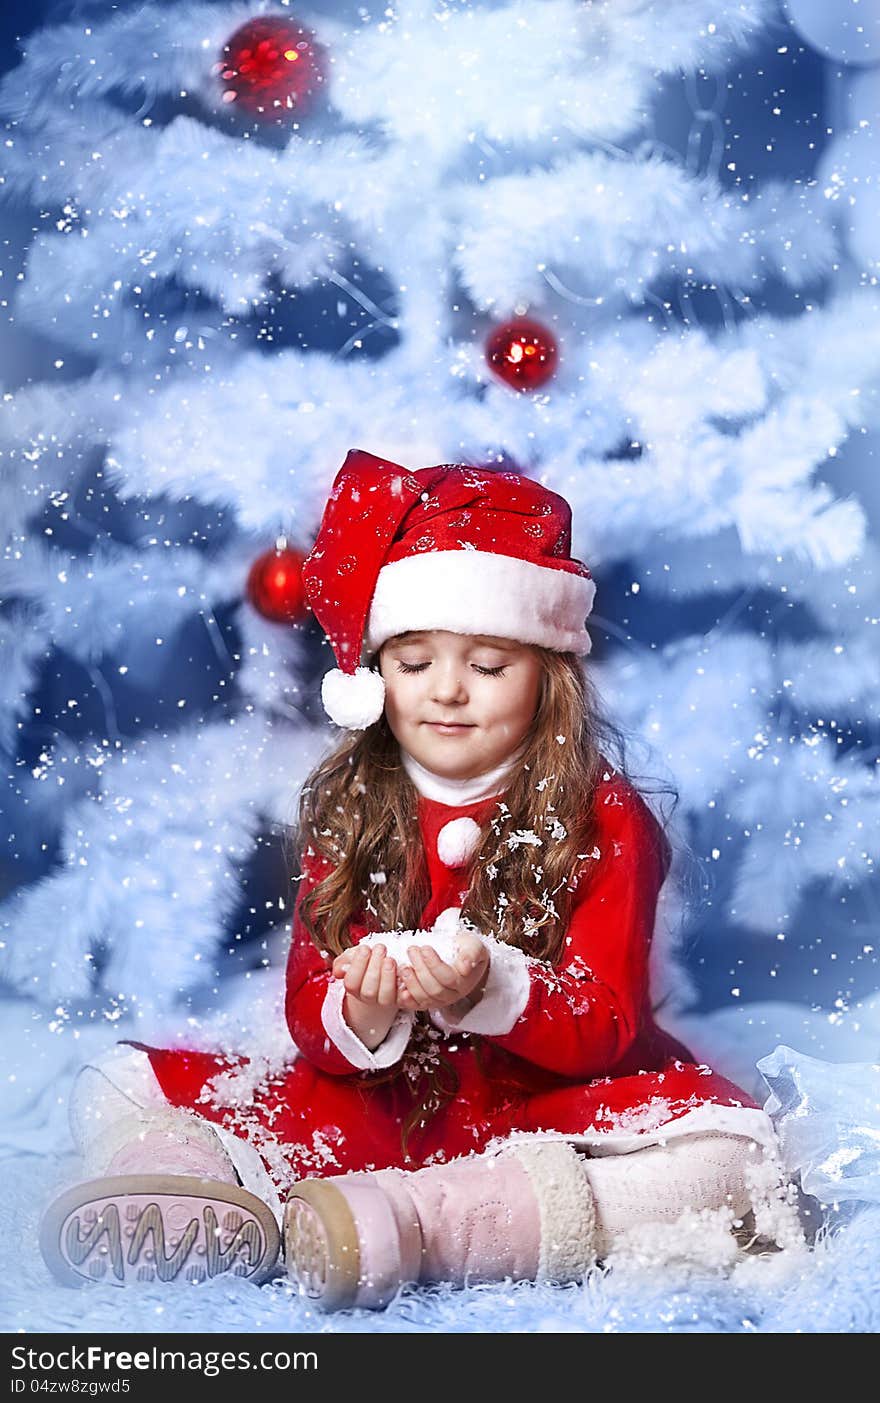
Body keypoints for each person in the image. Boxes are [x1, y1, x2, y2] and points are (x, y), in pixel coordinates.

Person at [40, 450, 805, 1306]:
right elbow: (308, 1008)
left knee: (733, 1163)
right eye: (413, 664)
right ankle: (189, 1192)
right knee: (121, 1079)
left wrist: (493, 982)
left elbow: (609, 1022)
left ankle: (422, 1223)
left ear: (548, 679)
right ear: (377, 677)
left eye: (486, 666)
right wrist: (360, 1007)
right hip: (377, 1102)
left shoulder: (607, 816)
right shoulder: (355, 804)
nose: (447, 693)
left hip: (543, 1109)